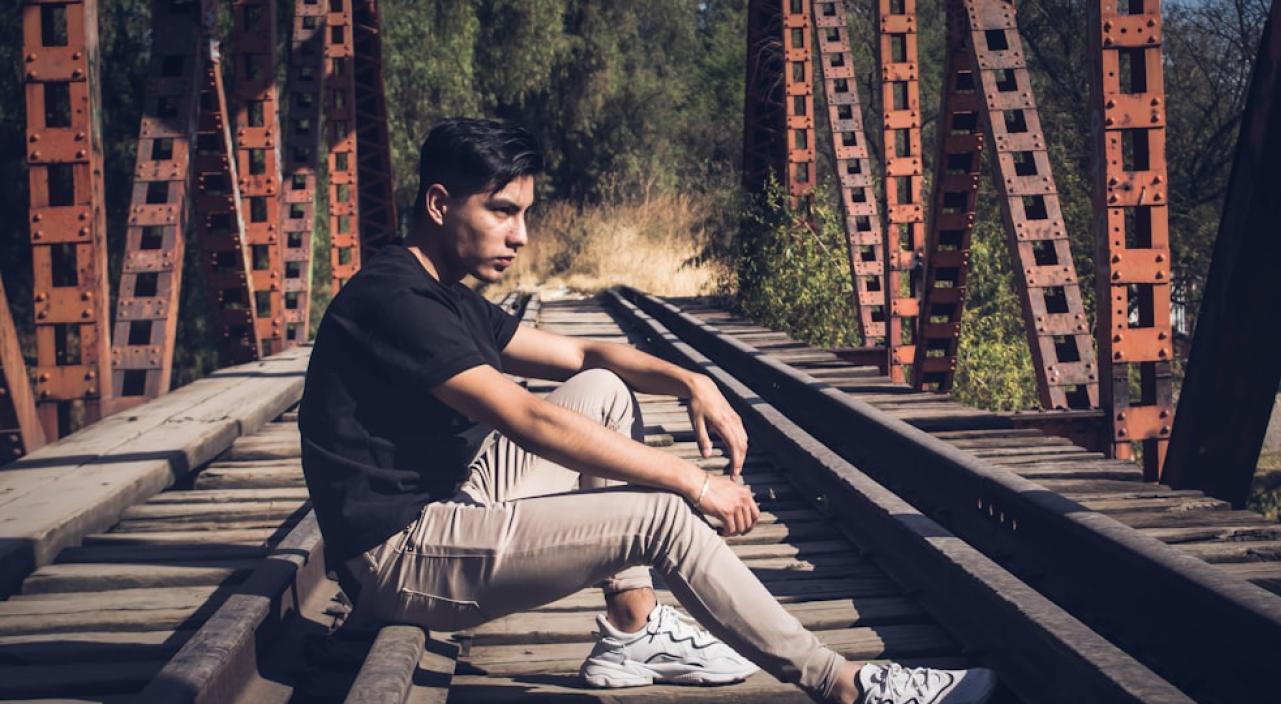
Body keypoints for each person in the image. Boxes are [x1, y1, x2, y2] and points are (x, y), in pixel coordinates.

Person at [298, 117, 996, 703]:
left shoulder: (442, 291)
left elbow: (582, 355)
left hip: (452, 502)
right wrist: (692, 481)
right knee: (659, 516)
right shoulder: (395, 300)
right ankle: (844, 684)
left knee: (604, 390)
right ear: (439, 203)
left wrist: (691, 380)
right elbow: (529, 420)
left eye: (525, 214)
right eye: (503, 211)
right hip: (401, 554)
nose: (521, 236)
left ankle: (632, 630)